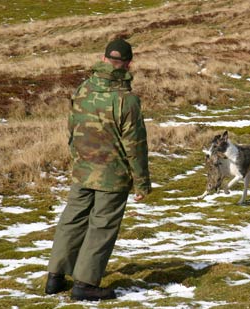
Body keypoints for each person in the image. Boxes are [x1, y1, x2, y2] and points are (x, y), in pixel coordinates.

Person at [45, 38, 151, 301]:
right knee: (101, 227)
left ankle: (55, 278)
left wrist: (77, 159)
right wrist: (142, 183)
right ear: (128, 64)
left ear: (104, 59)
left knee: (72, 220)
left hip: (83, 169)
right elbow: (135, 146)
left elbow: (72, 130)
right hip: (112, 176)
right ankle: (85, 283)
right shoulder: (127, 101)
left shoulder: (83, 89)